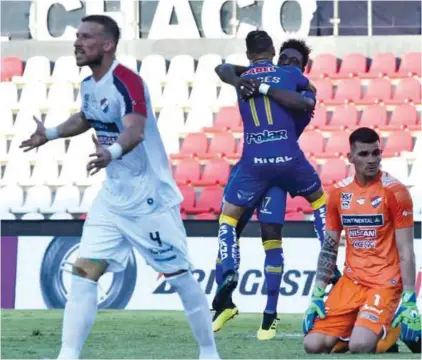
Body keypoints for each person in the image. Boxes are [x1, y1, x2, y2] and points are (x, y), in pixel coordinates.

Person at [20, 15, 219, 360]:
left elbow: (135, 129)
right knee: (84, 272)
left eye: (86, 37)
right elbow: (86, 117)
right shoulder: (89, 84)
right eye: (77, 37)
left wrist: (111, 151)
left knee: (180, 277)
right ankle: (67, 355)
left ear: (108, 44)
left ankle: (208, 352)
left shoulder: (127, 80)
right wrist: (50, 133)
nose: (77, 43)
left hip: (149, 199)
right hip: (112, 198)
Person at [212, 37, 339, 340]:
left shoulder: (302, 87)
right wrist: (243, 78)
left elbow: (300, 101)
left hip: (269, 168)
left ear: (303, 68)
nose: (289, 64)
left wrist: (252, 81)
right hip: (276, 167)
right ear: (275, 57)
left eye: (295, 62)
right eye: (285, 58)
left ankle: (269, 316)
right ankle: (225, 302)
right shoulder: (282, 76)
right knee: (238, 227)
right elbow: (229, 69)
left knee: (267, 236)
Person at [302, 127, 421, 354]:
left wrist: (409, 297)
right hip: (352, 282)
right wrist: (317, 291)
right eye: (364, 154)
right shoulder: (338, 194)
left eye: (376, 153)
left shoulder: (396, 192)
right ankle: (359, 327)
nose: (372, 160)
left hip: (385, 283)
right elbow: (330, 246)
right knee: (312, 345)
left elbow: (406, 249)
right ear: (351, 158)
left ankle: (390, 328)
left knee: (360, 346)